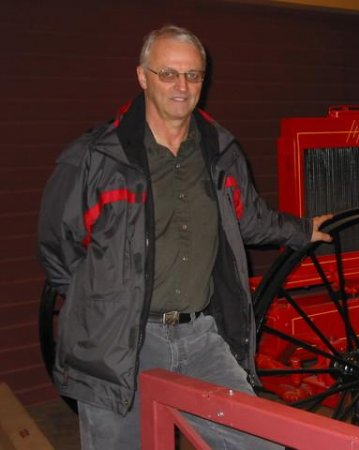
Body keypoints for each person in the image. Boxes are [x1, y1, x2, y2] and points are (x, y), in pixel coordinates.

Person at [37, 24, 331, 449]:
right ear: (142, 77)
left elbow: (249, 217)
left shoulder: (219, 151)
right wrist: (102, 306)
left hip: (199, 338)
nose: (181, 86)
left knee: (257, 441)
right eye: (168, 74)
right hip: (121, 344)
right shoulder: (95, 158)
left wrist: (302, 230)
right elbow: (57, 248)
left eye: (193, 75)